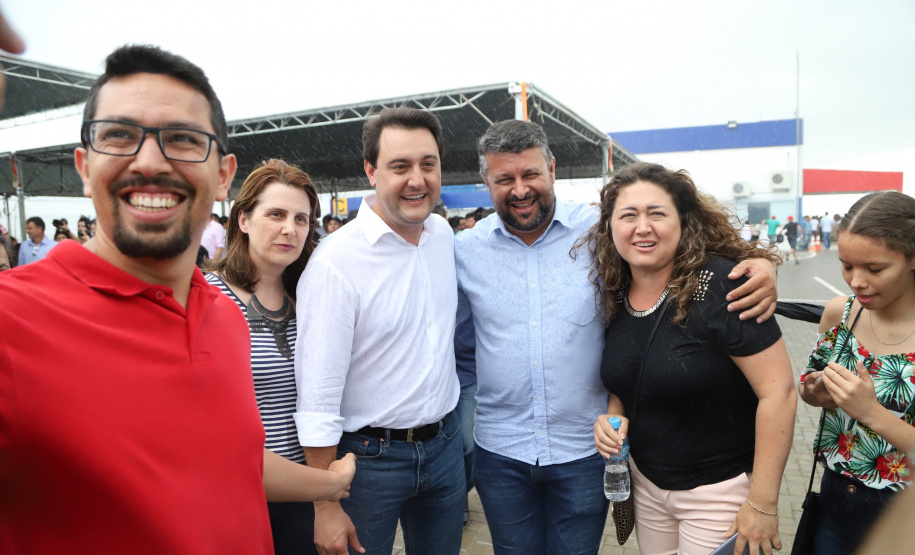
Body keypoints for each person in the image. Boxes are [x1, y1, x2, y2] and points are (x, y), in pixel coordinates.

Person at [0, 45, 353, 554]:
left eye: (183, 140)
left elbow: (231, 461)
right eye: (119, 136)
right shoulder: (14, 321)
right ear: (83, 165)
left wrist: (327, 487)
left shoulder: (223, 318)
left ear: (224, 175)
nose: (149, 161)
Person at [454, 120, 778, 555]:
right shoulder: (464, 250)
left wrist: (759, 265)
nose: (520, 189)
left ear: (551, 168)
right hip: (501, 452)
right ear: (485, 183)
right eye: (504, 179)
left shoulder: (600, 231)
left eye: (530, 174)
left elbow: (681, 247)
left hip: (585, 453)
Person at [589, 162, 796, 555]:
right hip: (647, 487)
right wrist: (610, 418)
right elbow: (628, 376)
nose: (642, 227)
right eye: (628, 215)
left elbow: (780, 394)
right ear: (610, 226)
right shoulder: (615, 292)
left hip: (718, 491)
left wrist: (763, 502)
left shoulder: (724, 286)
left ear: (684, 222)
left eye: (657, 213)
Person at [294, 107, 463, 555]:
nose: (417, 179)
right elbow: (317, 396)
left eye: (428, 164)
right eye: (400, 166)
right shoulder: (335, 263)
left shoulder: (442, 236)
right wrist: (325, 504)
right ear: (371, 171)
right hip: (366, 462)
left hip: (446, 448)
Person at [204, 158, 334, 555]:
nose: (288, 229)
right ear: (243, 220)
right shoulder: (207, 298)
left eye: (300, 219)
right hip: (231, 492)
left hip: (302, 492)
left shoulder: (310, 299)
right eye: (275, 214)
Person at [798, 190, 915, 555]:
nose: (856, 281)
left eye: (875, 269)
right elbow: (807, 383)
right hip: (836, 499)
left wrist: (870, 413)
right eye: (847, 265)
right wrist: (815, 392)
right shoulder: (841, 313)